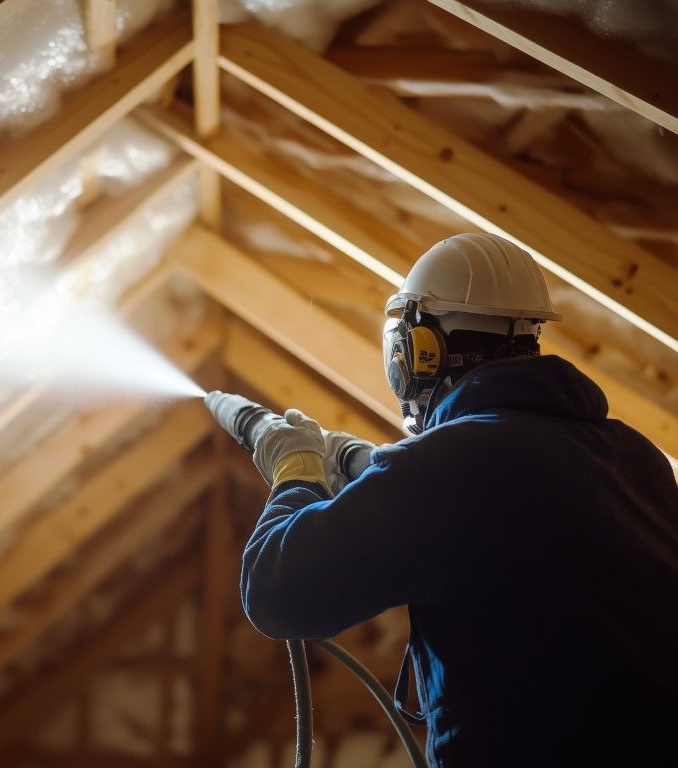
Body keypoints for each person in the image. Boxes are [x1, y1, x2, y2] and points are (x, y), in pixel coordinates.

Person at [229, 233, 678, 766]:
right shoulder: (634, 457)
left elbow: (278, 591)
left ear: (421, 351)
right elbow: (503, 513)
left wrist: (294, 470)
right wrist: (372, 467)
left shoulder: (452, 468)